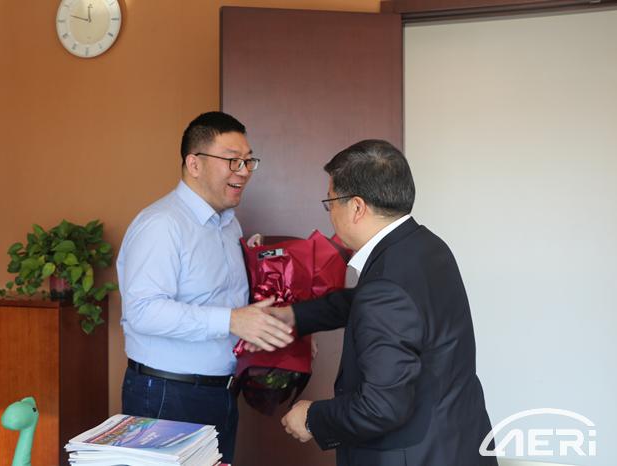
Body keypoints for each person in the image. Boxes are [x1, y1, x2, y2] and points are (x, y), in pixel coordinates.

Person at [274, 139, 497, 466]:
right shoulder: (426, 247)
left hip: (412, 455)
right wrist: (294, 316)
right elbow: (368, 303)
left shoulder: (385, 286)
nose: (330, 214)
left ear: (357, 207)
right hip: (456, 442)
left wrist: (312, 418)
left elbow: (381, 407)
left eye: (330, 202)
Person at [116, 111, 294, 463]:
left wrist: (284, 328)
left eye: (248, 161)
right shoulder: (161, 224)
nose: (243, 171)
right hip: (168, 394)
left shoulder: (229, 225)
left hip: (220, 391)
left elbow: (230, 302)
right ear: (194, 164)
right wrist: (232, 320)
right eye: (232, 160)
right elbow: (143, 311)